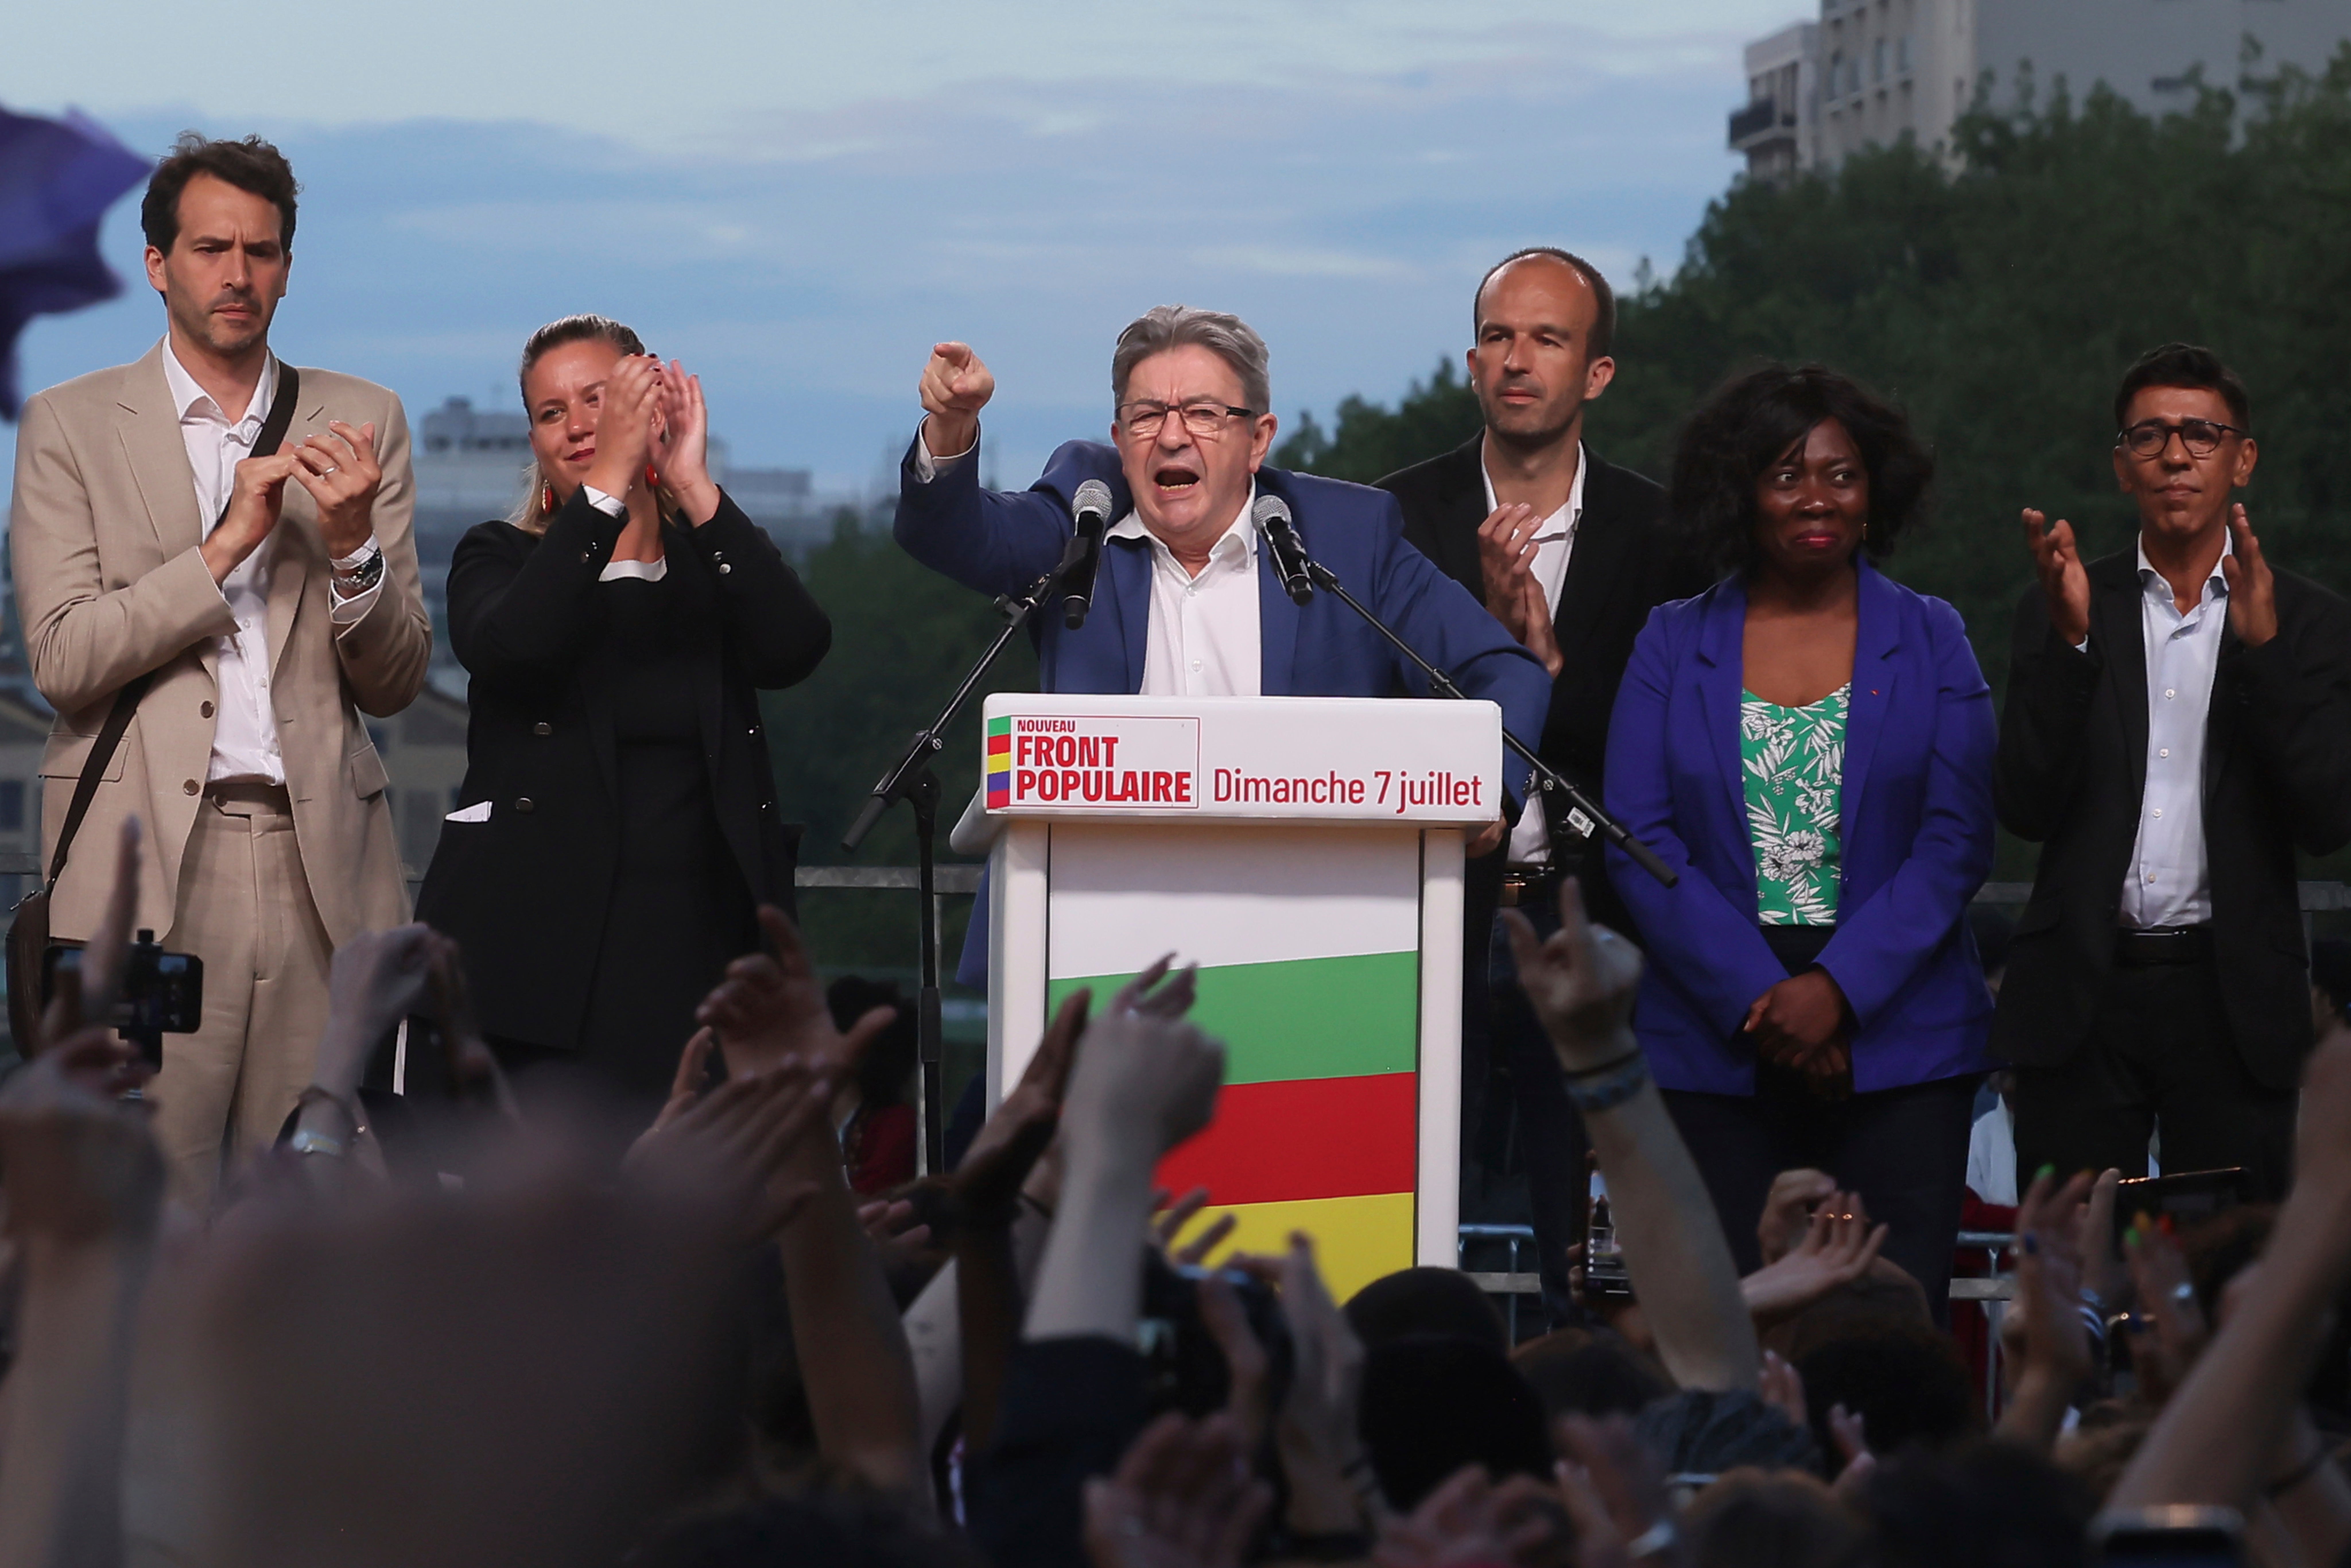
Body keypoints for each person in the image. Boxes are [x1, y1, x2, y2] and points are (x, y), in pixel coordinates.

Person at [7, 133, 430, 1204]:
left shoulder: (364, 417)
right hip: (141, 871)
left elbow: (395, 681)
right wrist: (223, 548)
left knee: (313, 1221)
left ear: (288, 264)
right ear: (159, 264)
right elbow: (62, 659)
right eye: (210, 248)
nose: (238, 274)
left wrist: (352, 551)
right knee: (140, 1209)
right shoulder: (68, 423)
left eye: (263, 250)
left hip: (319, 866)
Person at [893, 305, 1551, 990]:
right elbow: (953, 534)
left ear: (1258, 439)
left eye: (1203, 414)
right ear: (1119, 438)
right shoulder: (1082, 521)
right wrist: (951, 426)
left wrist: (1487, 793)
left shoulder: (1347, 539)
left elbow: (1500, 670)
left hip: (1308, 949)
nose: (1172, 436)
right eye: (1147, 416)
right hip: (1085, 945)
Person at [1602, 364, 1997, 1319]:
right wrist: (1761, 998)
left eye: (1840, 473)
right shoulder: (1668, 639)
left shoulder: (1936, 637)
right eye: (1785, 474)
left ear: (1876, 491)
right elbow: (1637, 839)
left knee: (1887, 1334)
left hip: (1900, 1047)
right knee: (1724, 1337)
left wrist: (1837, 993)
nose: (1816, 497)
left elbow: (1955, 838)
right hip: (1711, 1040)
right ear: (1740, 492)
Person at [1379, 246, 1708, 1324]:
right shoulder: (1384, 521)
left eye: (1548, 339)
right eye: (1500, 337)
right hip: (1421, 930)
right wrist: (1478, 651)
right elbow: (1358, 713)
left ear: (1597, 374)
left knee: (1589, 1263)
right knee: (1410, 1236)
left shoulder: (1670, 537)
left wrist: (1546, 673)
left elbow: (1679, 752)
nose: (1518, 361)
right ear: (1472, 359)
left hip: (1596, 928)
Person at [413, 315, 831, 1108]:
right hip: (544, 959)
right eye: (550, 412)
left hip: (701, 949)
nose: (576, 426)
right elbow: (514, 647)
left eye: (599, 399)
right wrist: (604, 495)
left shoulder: (712, 562)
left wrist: (694, 487)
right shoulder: (499, 557)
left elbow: (796, 648)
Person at [1995, 343, 2351, 1201]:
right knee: (2075, 1273)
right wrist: (2074, 644)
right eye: (2150, 436)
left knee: (2225, 1271)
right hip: (2083, 987)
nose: (2177, 454)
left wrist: (2264, 658)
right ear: (2124, 467)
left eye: (2202, 434)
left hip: (2232, 998)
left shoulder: (2308, 621)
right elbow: (2024, 804)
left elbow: (2326, 819)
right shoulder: (2067, 596)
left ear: (2243, 460)